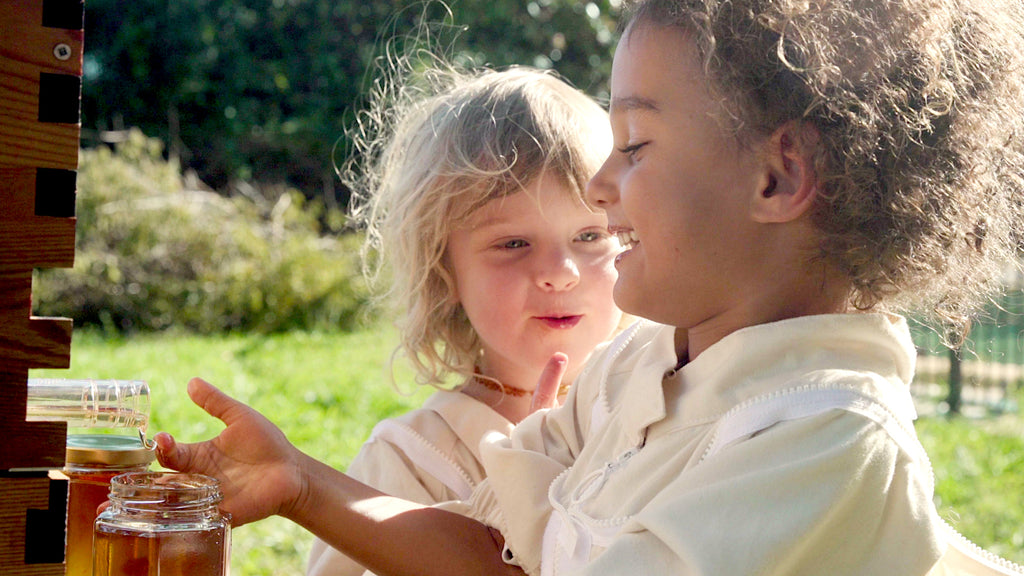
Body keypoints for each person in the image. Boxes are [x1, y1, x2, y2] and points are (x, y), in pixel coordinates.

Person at [155, 0, 1024, 574]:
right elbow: (497, 556)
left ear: (776, 176)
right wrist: (302, 483)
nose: (604, 186)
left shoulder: (823, 446)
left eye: (635, 146)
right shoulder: (640, 368)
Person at [303, 59, 623, 575]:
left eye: (590, 236)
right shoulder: (411, 460)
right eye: (513, 243)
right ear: (444, 270)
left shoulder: (658, 404)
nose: (560, 274)